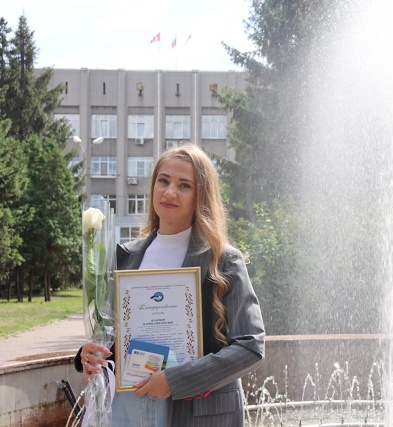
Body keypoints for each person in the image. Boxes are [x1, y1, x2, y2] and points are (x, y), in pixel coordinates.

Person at [75, 143, 265, 426]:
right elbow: (115, 334)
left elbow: (251, 346)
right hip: (129, 409)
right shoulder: (125, 256)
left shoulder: (222, 260)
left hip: (196, 414)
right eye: (163, 181)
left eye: (184, 185)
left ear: (201, 196)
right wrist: (89, 355)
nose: (169, 192)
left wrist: (175, 380)